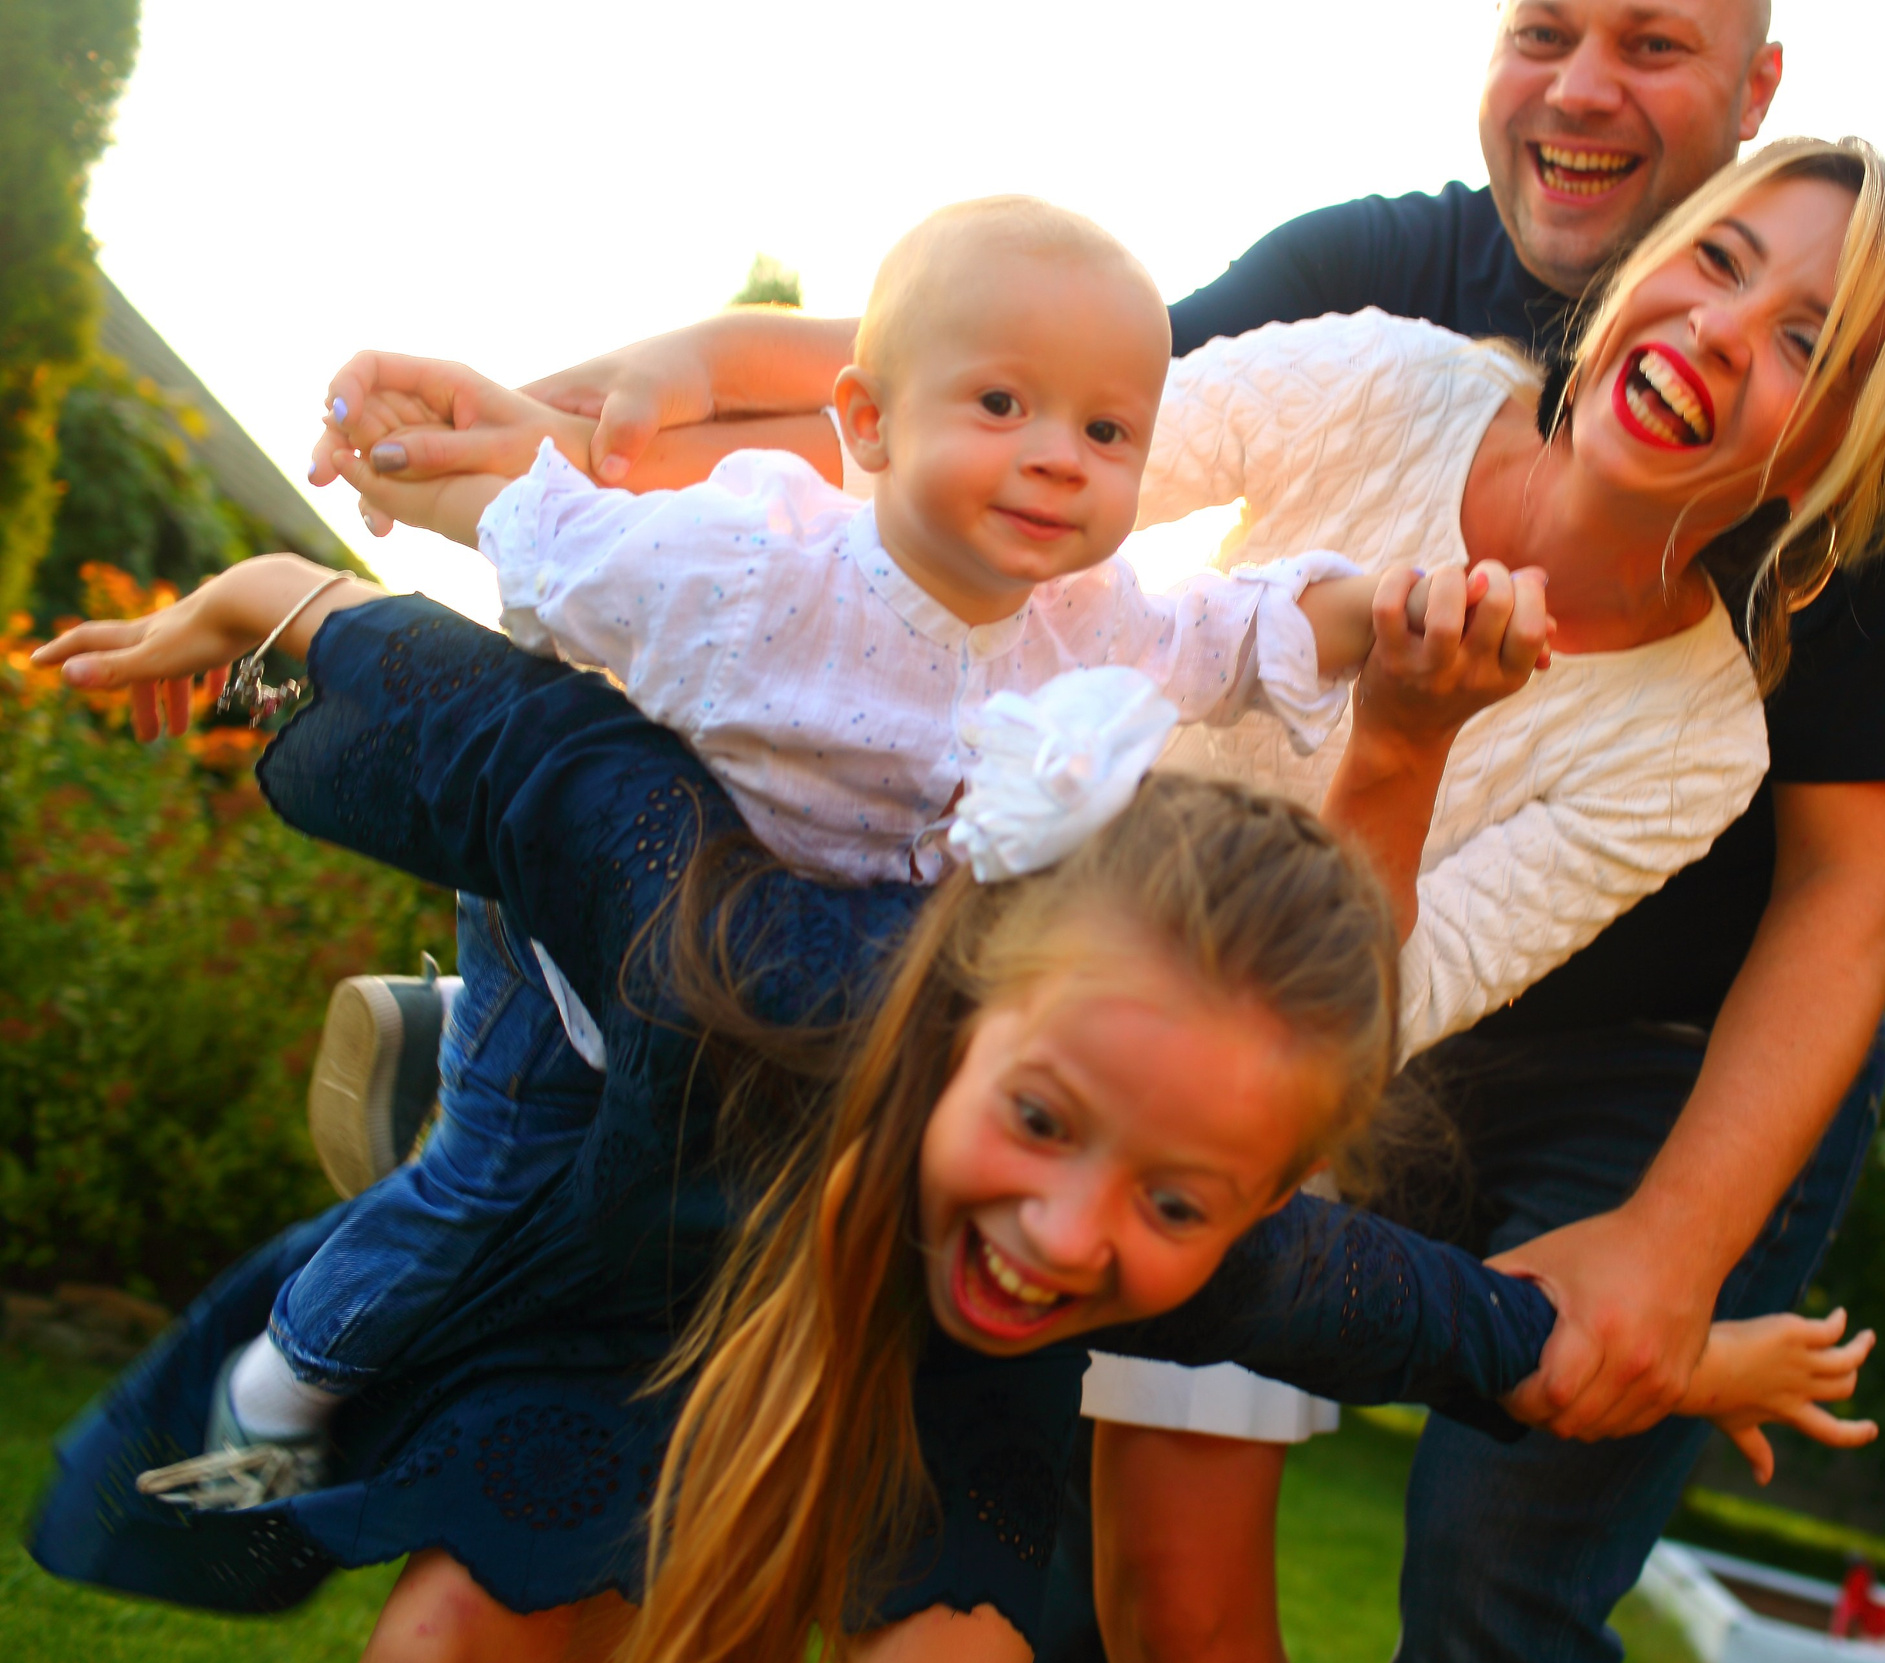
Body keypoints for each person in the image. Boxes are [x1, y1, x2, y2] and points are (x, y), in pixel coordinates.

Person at [320, 77, 1885, 1663]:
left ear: (1849, 457)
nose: (1720, 330)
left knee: (1174, 1614)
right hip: (963, 945)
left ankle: (572, 1054)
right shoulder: (1391, 376)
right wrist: (545, 434)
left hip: (1186, 1100)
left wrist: (1402, 745)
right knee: (631, 1476)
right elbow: (1008, 471)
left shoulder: (1696, 749)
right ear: (1651, 262)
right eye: (1719, 261)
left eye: (1809, 346)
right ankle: (562, 1054)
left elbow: (1344, 1031)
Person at [28, 563, 1878, 1663]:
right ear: (975, 1004)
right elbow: (479, 718)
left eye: (1178, 1198)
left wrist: (1689, 1347)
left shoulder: (1210, 1262)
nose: (1074, 1235)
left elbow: (1459, 1326)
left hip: (948, 1406)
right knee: (466, 1649)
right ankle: (488, 1067)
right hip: (655, 1267)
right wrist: (245, 618)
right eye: (1050, 1119)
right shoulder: (739, 950)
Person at [140, 194, 1535, 1511]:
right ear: (866, 421)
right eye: (1003, 405)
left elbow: (1248, 627)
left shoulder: (1103, 620)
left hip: (776, 965)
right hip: (581, 929)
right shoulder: (747, 570)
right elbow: (544, 525)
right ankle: (277, 1394)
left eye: (1111, 432)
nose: (1060, 453)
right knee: (491, 1184)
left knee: (718, 1197)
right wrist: (398, 456)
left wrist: (1409, 607)